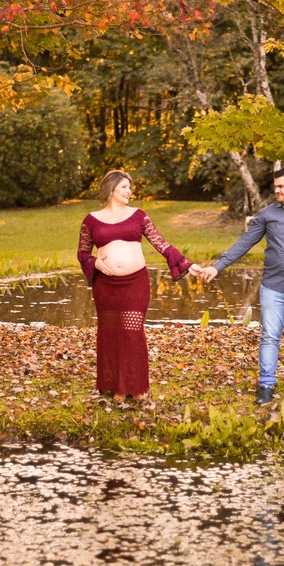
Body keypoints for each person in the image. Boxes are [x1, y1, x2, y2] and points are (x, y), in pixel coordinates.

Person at [197, 167, 284, 406]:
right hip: (273, 288)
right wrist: (216, 267)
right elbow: (245, 242)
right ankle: (266, 385)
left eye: (281, 186)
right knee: (269, 337)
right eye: (275, 186)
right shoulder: (268, 214)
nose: (276, 190)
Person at [78, 171, 202, 400]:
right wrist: (95, 264)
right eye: (124, 187)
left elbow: (160, 242)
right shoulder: (91, 219)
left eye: (130, 188)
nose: (129, 192)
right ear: (111, 189)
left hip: (135, 282)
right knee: (109, 333)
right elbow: (83, 252)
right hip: (105, 286)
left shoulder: (139, 215)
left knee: (133, 332)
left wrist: (187, 264)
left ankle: (135, 387)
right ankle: (113, 386)